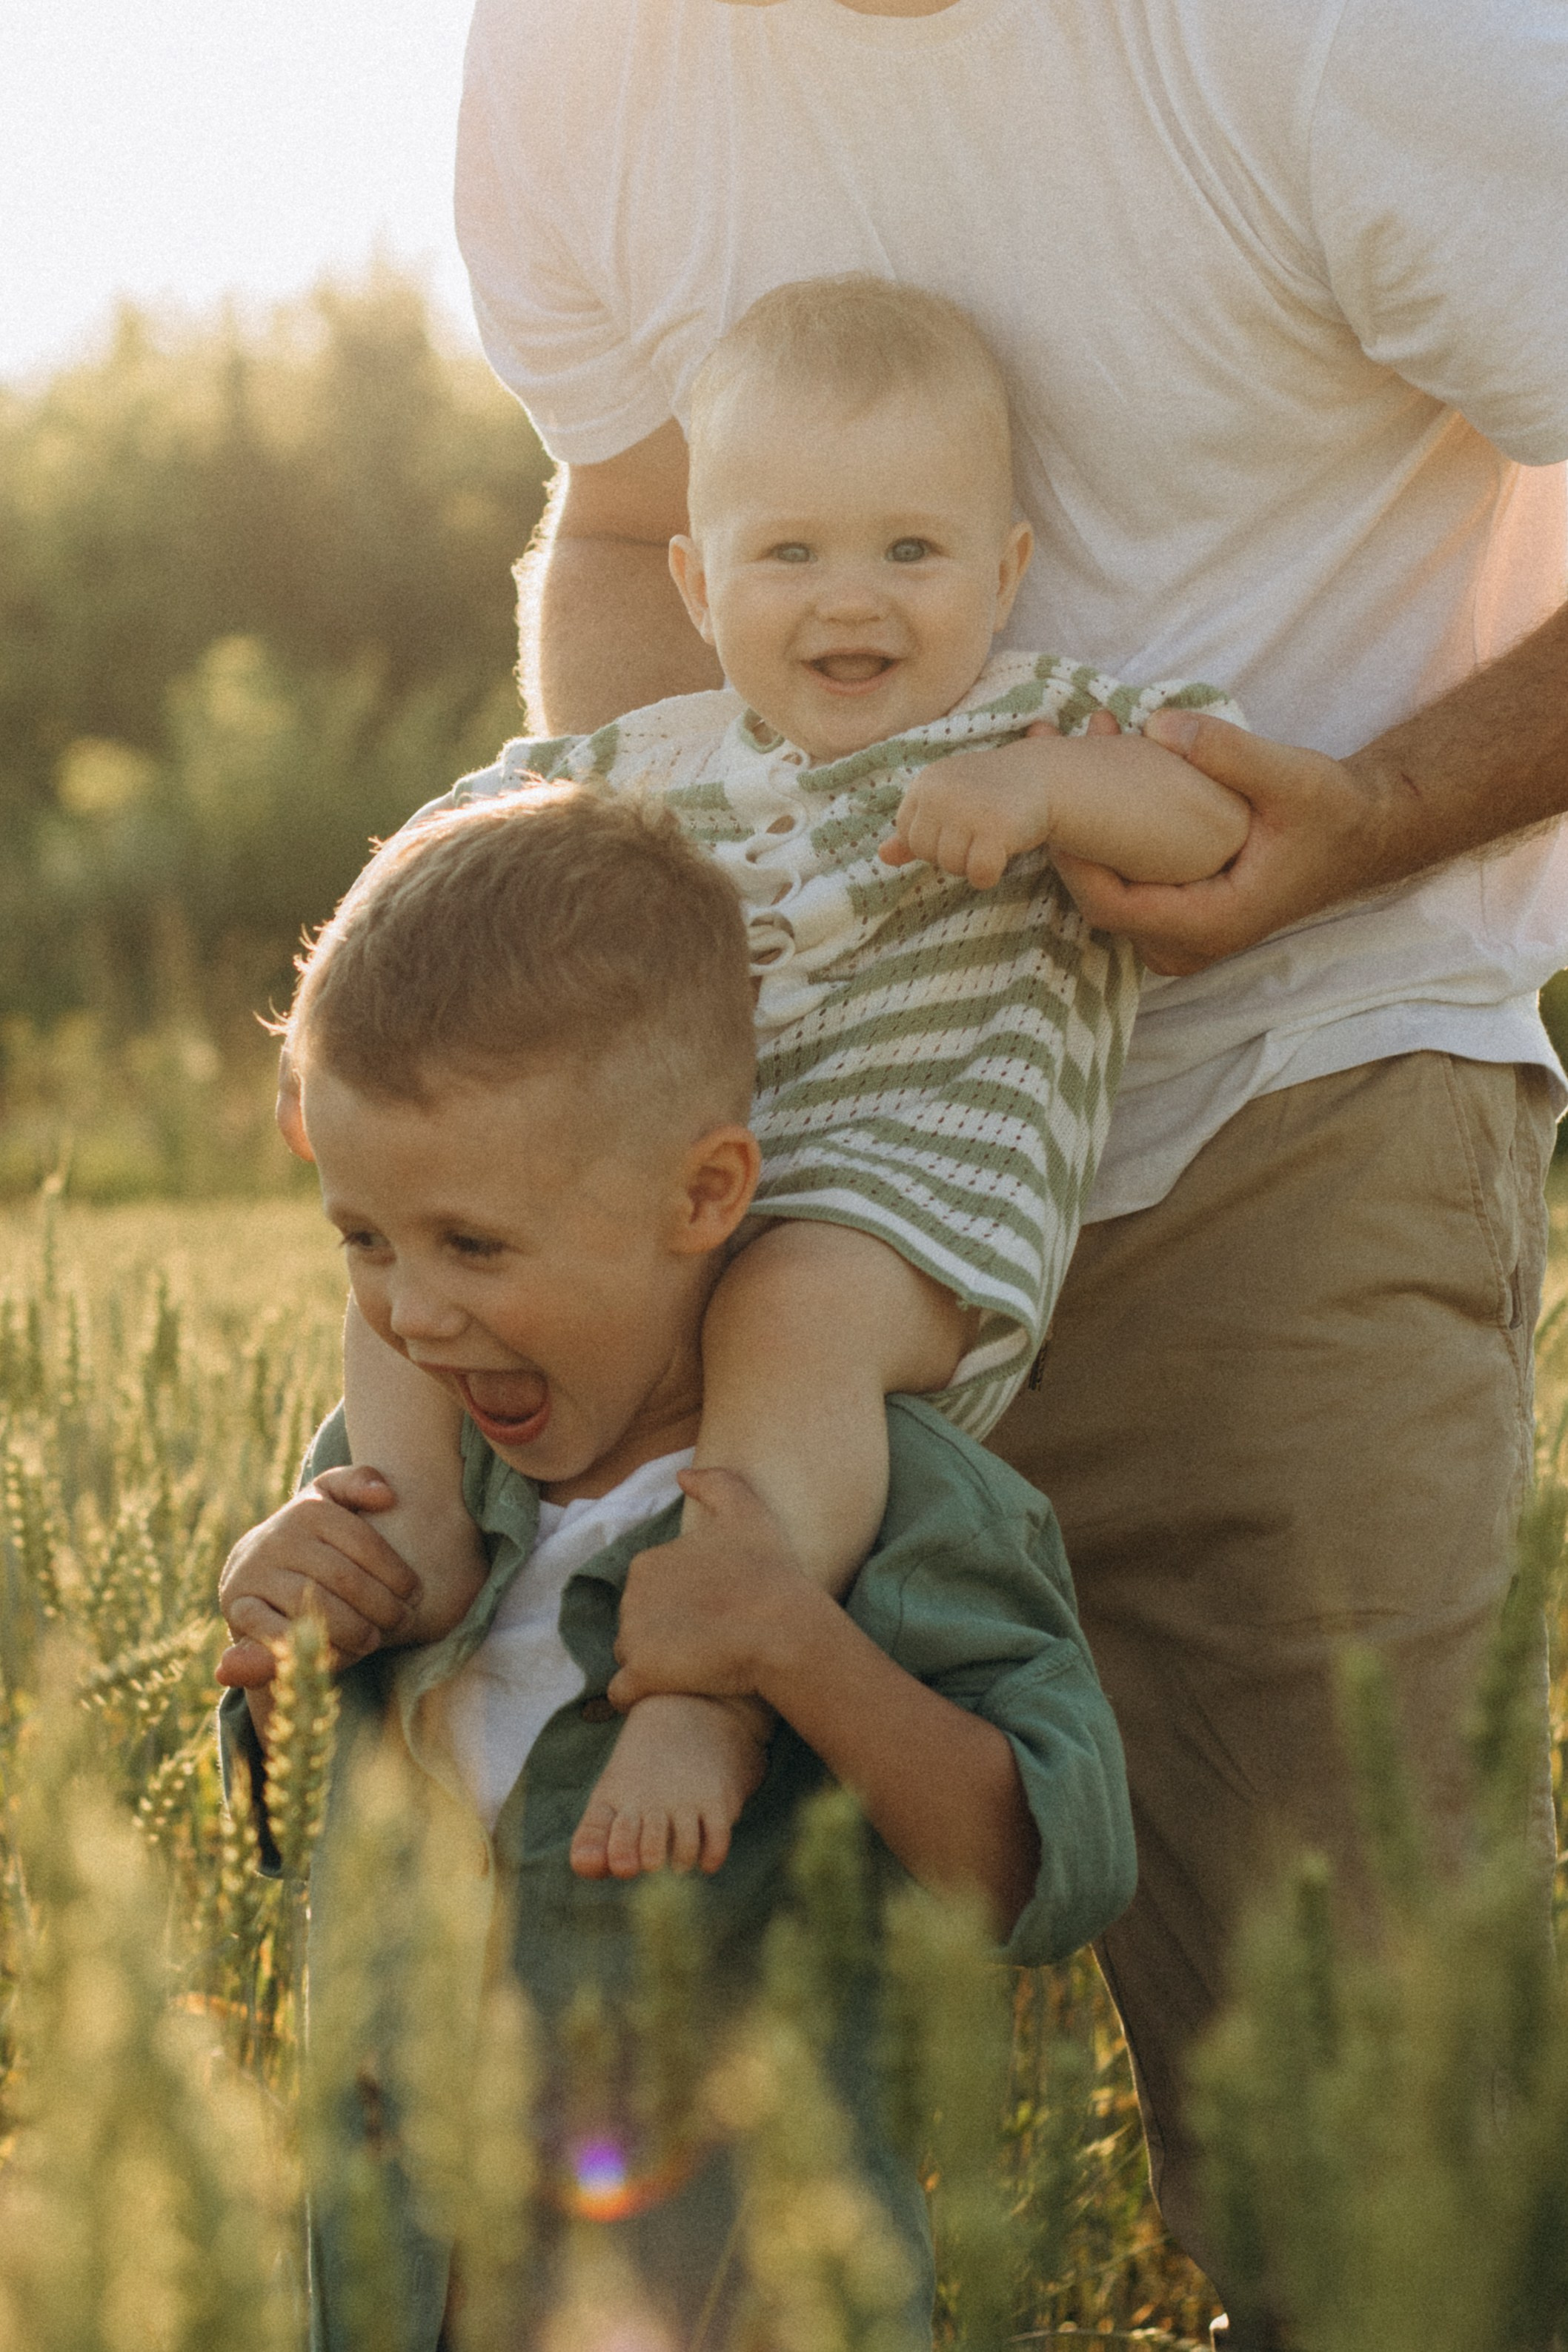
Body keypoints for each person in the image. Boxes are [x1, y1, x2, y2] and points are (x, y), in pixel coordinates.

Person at [452, 4, 1568, 2337]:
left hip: (1284, 1107)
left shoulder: (1360, 40)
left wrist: (1358, 815)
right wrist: (626, 1023)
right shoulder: (571, 50)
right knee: (682, 2143)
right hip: (778, 1187)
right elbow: (630, 520)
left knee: (1356, 2143)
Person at [228, 278, 1246, 1887]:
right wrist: (320, 1013)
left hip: (903, 1220)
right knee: (414, 1263)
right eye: (790, 554)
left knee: (787, 1306)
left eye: (909, 551)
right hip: (686, 1197)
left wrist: (1051, 791)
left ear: (1005, 573)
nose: (850, 600)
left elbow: (1216, 834)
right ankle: (411, 1525)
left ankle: (707, 1685)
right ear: (698, 584)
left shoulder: (1042, 720)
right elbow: (439, 841)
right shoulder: (649, 755)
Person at [216, 785, 1138, 2347]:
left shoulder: (884, 1497)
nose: (412, 1315)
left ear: (703, 1197)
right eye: (363, 1241)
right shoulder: (401, 1483)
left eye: (474, 1244)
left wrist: (794, 1652)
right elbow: (302, 1824)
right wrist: (270, 1634)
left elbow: (1048, 1871)